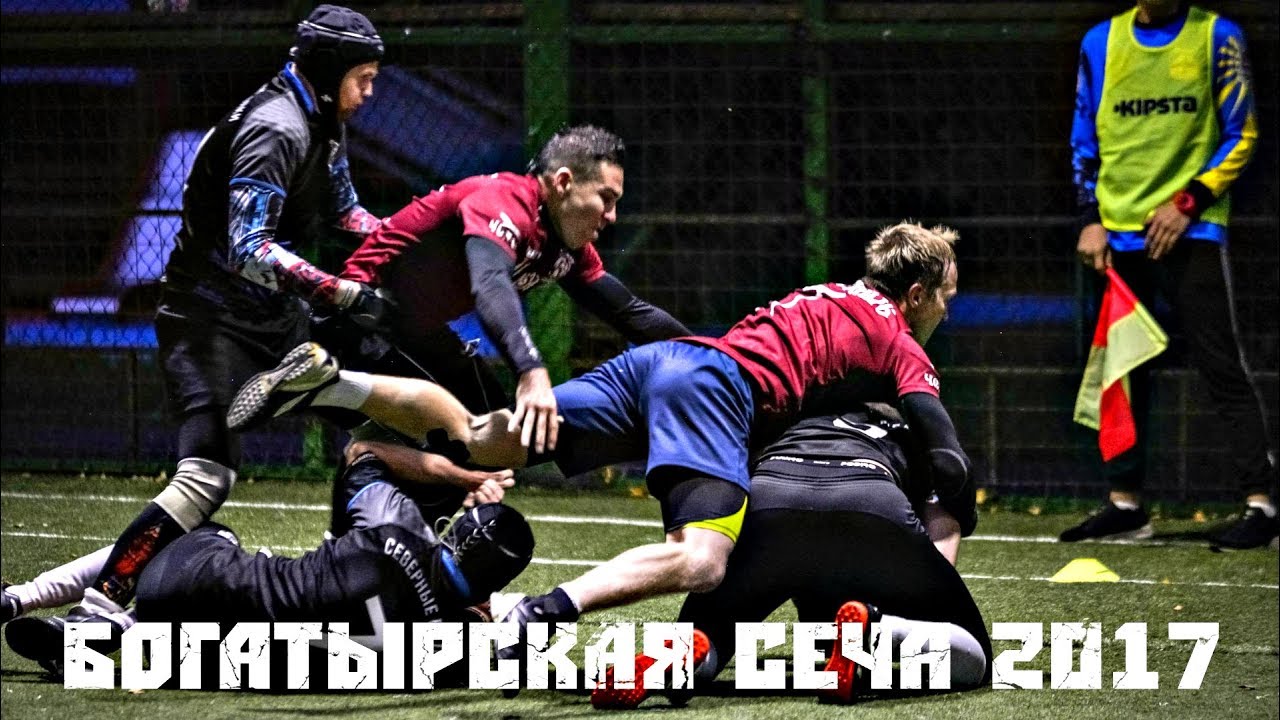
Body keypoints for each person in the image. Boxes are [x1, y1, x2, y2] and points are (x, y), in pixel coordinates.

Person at [224, 220, 976, 686]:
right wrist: (947, 512)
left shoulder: (820, 295)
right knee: (702, 562)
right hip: (713, 389)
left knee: (484, 436)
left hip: (667, 365)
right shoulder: (897, 340)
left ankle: (339, 384)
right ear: (914, 293)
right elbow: (946, 459)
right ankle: (539, 613)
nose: (947, 308)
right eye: (945, 294)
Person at [12, 4, 389, 648]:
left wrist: (418, 236)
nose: (371, 92)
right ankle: (97, 611)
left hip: (273, 320)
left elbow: (347, 212)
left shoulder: (324, 122)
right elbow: (250, 248)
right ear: (331, 73)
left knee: (377, 429)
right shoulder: (276, 129)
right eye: (365, 78)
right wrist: (340, 290)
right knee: (207, 478)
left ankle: (356, 584)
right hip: (211, 321)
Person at [312, 124, 689, 520]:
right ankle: (374, 533)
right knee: (471, 437)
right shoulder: (504, 200)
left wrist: (715, 355)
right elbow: (490, 283)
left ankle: (369, 528)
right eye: (606, 198)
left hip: (410, 333)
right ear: (564, 182)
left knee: (493, 436)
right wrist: (531, 370)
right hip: (358, 323)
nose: (611, 216)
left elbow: (629, 311)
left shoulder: (563, 245)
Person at [5, 445, 533, 683]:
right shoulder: (449, 642)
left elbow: (362, 452)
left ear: (454, 532)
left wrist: (460, 477)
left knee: (200, 527)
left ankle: (34, 601)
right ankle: (121, 628)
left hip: (186, 584)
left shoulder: (397, 526)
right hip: (211, 660)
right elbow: (502, 643)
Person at [591, 404, 991, 709]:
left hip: (770, 497)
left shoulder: (794, 416)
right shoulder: (925, 434)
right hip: (870, 502)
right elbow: (942, 536)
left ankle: (678, 656)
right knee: (974, 658)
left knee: (709, 634)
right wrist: (909, 604)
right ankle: (873, 631)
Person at [1063, 0, 1277, 548]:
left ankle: (1262, 504)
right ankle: (1126, 505)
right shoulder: (1100, 42)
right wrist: (1090, 218)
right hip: (1117, 235)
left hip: (1191, 229)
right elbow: (1083, 139)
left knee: (1220, 362)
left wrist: (1187, 203)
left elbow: (1243, 133)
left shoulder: (1217, 35)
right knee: (1122, 372)